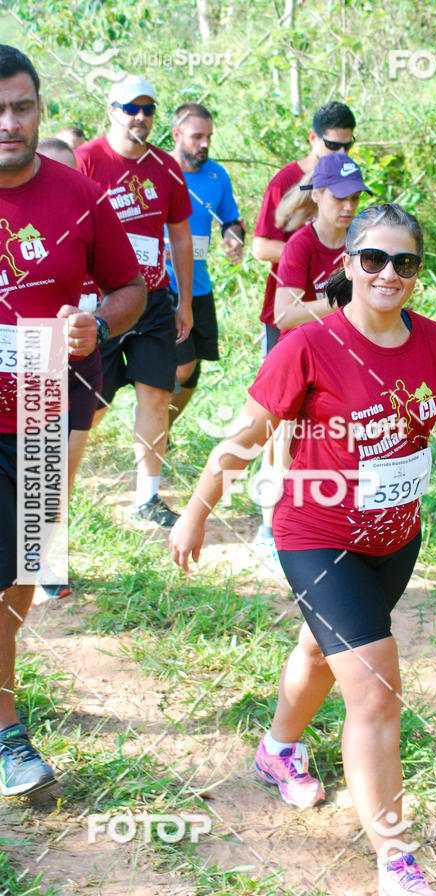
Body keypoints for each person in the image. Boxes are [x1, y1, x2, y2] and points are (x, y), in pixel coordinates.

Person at [169, 203, 436, 896]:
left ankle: (278, 751)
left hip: (396, 539)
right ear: (348, 264)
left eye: (404, 262)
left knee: (321, 650)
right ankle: (395, 859)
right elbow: (246, 438)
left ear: (418, 273)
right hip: (316, 536)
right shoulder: (308, 346)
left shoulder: (435, 344)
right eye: (373, 258)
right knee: (374, 691)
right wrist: (196, 512)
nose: (387, 273)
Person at [0, 45, 145, 796]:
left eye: (21, 105)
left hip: (39, 405)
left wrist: (95, 319)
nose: (8, 122)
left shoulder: (79, 195)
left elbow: (130, 288)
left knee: (23, 564)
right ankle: (6, 732)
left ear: (41, 108)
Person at [76, 75, 194, 528]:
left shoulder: (165, 166)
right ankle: (65, 477)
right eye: (131, 108)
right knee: (90, 402)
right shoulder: (86, 161)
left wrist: (183, 301)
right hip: (101, 303)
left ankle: (147, 497)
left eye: (148, 109)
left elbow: (180, 236)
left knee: (156, 394)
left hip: (153, 299)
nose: (141, 117)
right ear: (112, 111)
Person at [254, 153, 371, 575]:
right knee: (283, 452)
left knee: (341, 450)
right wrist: (343, 299)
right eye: (340, 196)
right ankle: (269, 533)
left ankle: (336, 532)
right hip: (298, 358)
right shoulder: (303, 243)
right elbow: (284, 313)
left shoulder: (360, 240)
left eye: (355, 197)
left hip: (343, 361)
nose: (348, 206)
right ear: (318, 194)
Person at [35, 137, 104, 599]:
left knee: (61, 472)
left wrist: (97, 320)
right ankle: (33, 561)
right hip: (31, 366)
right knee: (36, 470)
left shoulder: (92, 220)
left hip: (82, 365)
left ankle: (47, 560)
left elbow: (126, 284)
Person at [253, 100, 356, 354]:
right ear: (313, 137)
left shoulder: (348, 178)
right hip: (291, 302)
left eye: (348, 145)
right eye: (333, 145)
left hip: (330, 310)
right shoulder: (286, 180)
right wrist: (308, 258)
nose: (341, 153)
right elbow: (261, 246)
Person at [166, 102, 244, 429]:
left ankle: (159, 426)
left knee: (193, 372)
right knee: (181, 366)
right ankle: (150, 423)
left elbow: (232, 221)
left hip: (200, 285)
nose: (205, 144)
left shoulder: (217, 175)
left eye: (208, 136)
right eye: (197, 136)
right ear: (176, 134)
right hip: (164, 285)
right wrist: (160, 249)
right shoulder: (157, 171)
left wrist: (235, 238)